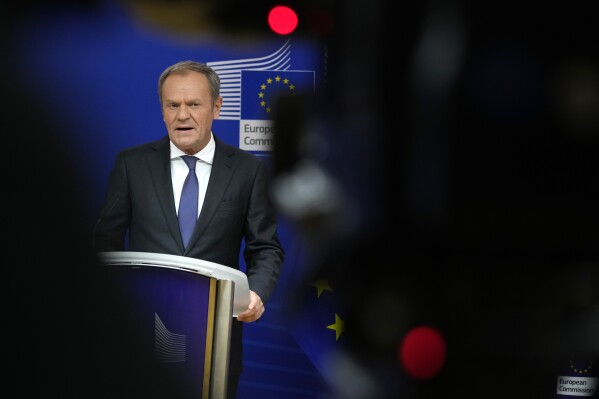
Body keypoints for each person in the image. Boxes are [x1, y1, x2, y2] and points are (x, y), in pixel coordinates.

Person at [92, 60, 285, 398]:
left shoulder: (247, 170)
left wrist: (255, 294)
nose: (182, 115)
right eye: (173, 105)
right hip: (141, 333)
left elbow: (266, 248)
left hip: (215, 337)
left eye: (193, 104)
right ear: (163, 110)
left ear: (217, 107)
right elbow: (102, 242)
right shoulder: (131, 165)